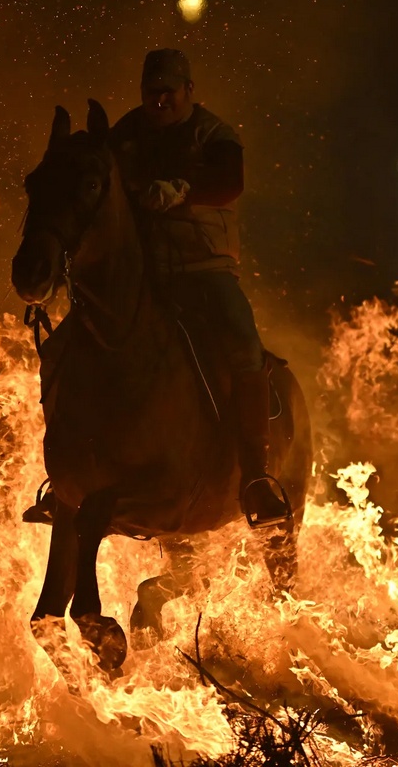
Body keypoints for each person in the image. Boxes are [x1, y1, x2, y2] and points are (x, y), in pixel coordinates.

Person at [108, 48, 289, 528]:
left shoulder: (215, 135)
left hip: (204, 271)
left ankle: (254, 477)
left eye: (170, 89)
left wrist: (182, 188)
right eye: (152, 91)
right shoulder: (123, 136)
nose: (160, 98)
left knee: (245, 348)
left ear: (190, 90)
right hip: (143, 276)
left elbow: (230, 181)